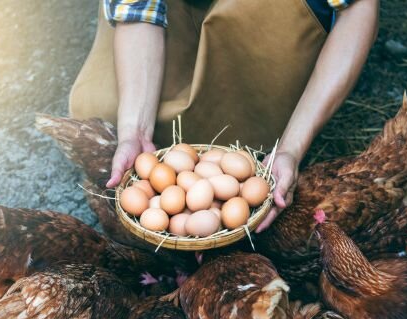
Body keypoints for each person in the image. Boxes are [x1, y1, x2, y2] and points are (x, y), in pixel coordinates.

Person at [69, 0, 379, 231]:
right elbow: (138, 10)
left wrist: (290, 148)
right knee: (102, 114)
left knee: (247, 156)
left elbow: (358, 8)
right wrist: (135, 129)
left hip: (264, 15)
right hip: (181, 12)